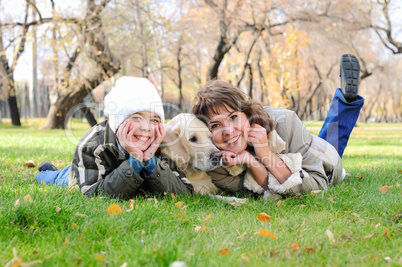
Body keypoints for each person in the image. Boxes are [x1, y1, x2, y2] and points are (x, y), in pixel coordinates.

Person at [190, 54, 364, 198]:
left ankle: (346, 103)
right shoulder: (216, 166)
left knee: (331, 142)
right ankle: (346, 104)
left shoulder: (285, 121)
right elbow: (261, 191)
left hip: (327, 161)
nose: (228, 131)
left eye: (234, 117)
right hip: (302, 153)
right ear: (207, 133)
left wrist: (265, 153)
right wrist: (251, 160)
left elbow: (317, 188)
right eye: (215, 125)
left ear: (247, 113)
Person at [36, 76, 193, 199]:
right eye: (136, 117)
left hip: (97, 169)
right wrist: (135, 162)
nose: (146, 128)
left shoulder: (160, 143)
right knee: (57, 178)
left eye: (154, 120)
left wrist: (151, 163)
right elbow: (93, 195)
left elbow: (184, 192)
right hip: (83, 175)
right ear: (118, 120)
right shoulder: (91, 145)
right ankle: (47, 172)